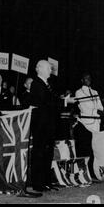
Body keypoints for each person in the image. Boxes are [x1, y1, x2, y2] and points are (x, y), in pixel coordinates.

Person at [29, 60, 61, 192]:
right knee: (39, 153)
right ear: (40, 69)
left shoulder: (48, 84)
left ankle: (47, 181)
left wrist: (61, 100)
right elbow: (46, 102)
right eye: (49, 68)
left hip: (48, 125)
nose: (51, 70)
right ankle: (37, 183)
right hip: (41, 126)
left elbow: (51, 100)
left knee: (48, 153)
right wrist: (62, 101)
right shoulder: (36, 83)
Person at [74, 73, 104, 179]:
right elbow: (85, 107)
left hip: (96, 124)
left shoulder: (95, 92)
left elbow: (101, 107)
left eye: (90, 78)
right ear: (82, 80)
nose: (88, 80)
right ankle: (85, 173)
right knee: (86, 148)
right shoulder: (79, 92)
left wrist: (98, 110)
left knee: (95, 149)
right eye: (86, 78)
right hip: (85, 124)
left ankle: (94, 172)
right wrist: (97, 111)